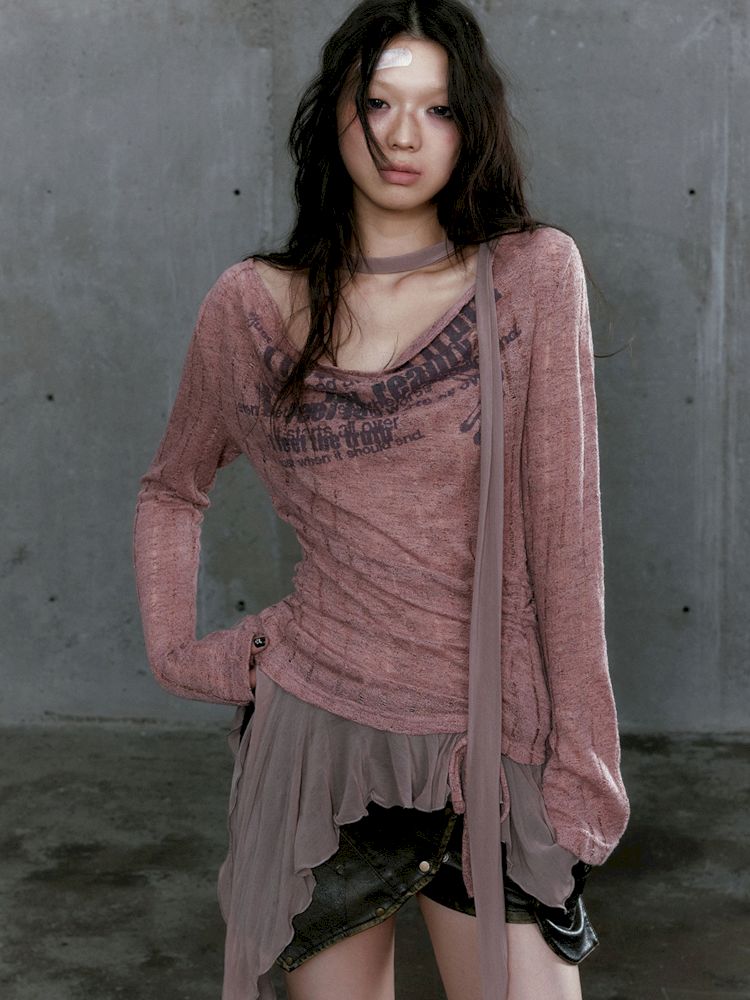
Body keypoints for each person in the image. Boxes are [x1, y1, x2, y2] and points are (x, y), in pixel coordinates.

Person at [132, 2, 630, 999]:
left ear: (472, 125)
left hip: (487, 750)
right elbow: (171, 488)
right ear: (336, 114)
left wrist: (581, 772)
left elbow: (566, 547)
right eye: (379, 103)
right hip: (316, 748)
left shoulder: (531, 277)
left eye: (438, 109)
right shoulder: (250, 306)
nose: (405, 136)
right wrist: (180, 654)